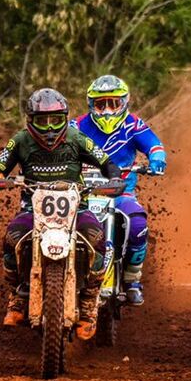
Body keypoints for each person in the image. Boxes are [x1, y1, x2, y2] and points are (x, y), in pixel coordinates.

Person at [0, 88, 119, 340]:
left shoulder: (76, 137)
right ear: (30, 120)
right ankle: (16, 296)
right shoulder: (20, 140)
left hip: (76, 207)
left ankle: (90, 303)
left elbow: (106, 161)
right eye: (42, 121)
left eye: (56, 120)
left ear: (65, 118)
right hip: (32, 210)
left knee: (97, 239)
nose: (49, 128)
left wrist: (113, 177)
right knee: (11, 238)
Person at [73, 74, 167, 305]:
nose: (107, 110)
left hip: (120, 192)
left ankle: (132, 279)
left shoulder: (133, 125)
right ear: (91, 104)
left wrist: (157, 159)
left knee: (137, 224)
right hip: (82, 193)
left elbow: (153, 144)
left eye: (113, 103)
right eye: (101, 104)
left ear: (124, 102)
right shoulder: (76, 126)